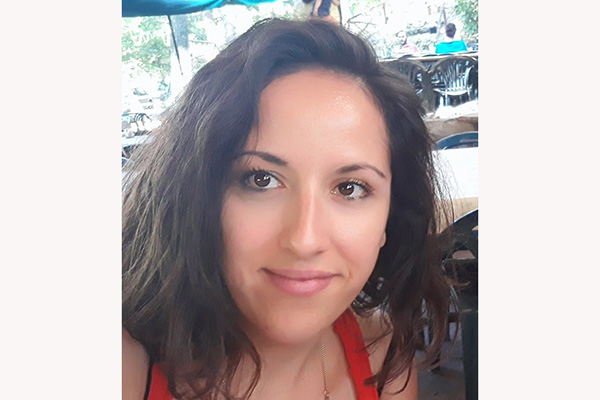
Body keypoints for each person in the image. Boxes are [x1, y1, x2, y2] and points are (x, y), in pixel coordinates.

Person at [123, 18, 453, 400]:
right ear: (196, 196)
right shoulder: (125, 368)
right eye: (261, 180)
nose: (304, 240)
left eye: (350, 188)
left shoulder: (384, 356)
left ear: (389, 219)